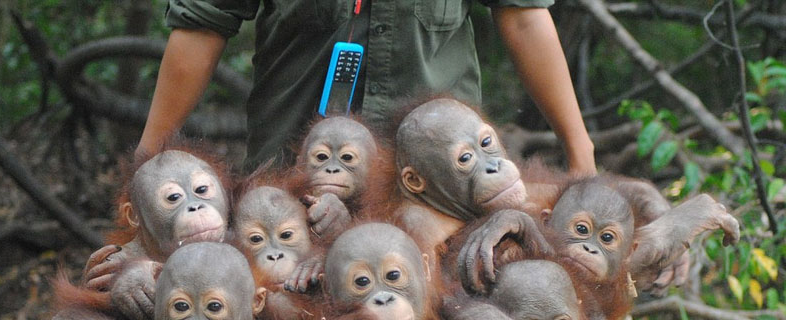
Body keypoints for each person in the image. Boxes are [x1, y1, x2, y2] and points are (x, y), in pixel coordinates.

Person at [137, 0, 596, 174]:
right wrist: (149, 158)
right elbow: (202, 25)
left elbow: (523, 17)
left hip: (438, 175)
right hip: (292, 170)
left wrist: (580, 152)